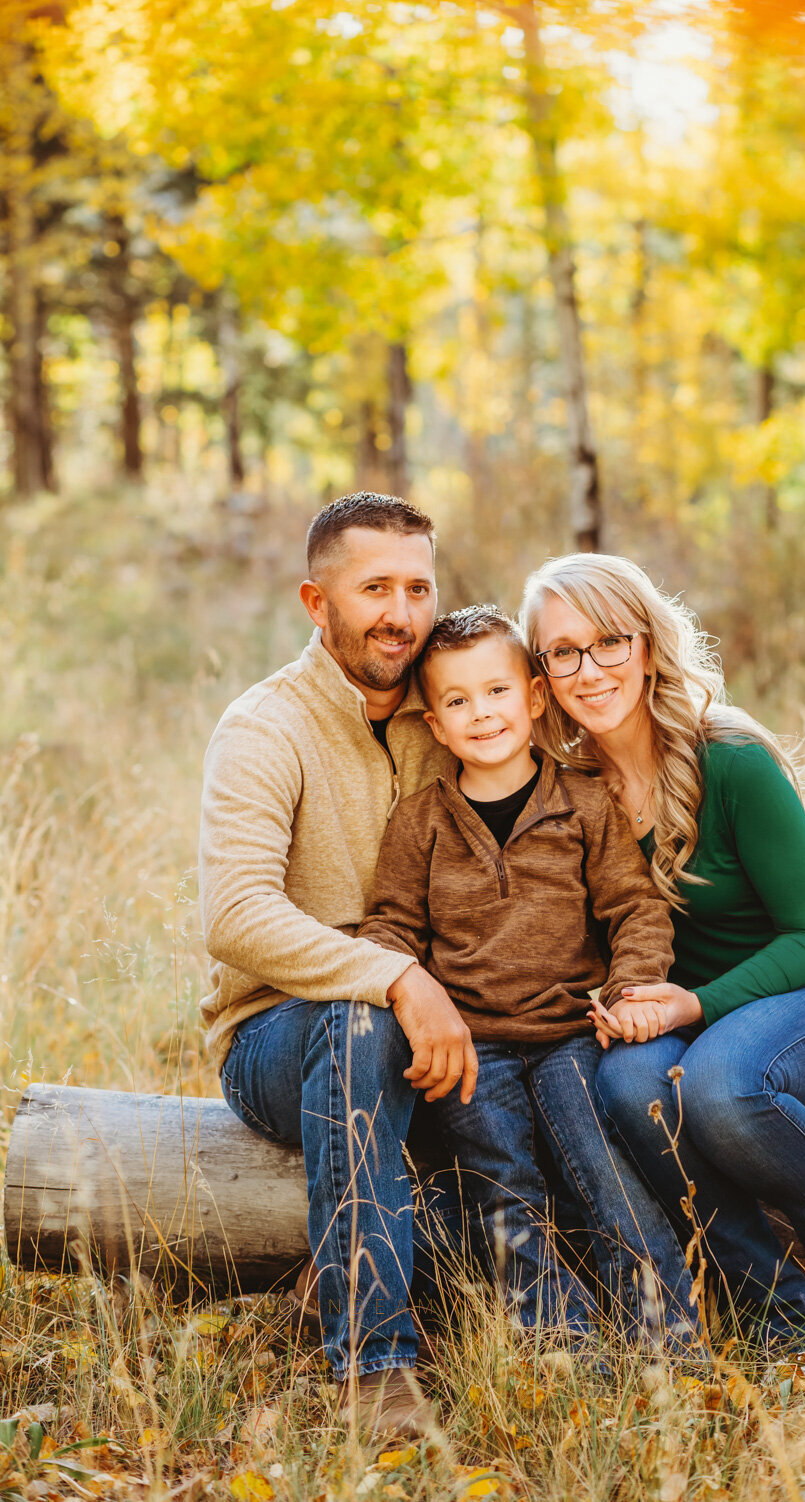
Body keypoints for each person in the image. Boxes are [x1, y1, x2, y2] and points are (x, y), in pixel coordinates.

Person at [520, 552, 805, 1360]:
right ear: (540, 672)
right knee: (631, 1084)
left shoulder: (730, 760)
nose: (588, 669)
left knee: (716, 1087)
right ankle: (779, 1322)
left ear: (646, 644)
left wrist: (691, 1004)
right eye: (560, 652)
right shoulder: (566, 788)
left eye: (608, 642)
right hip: (685, 1026)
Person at [198, 492, 479, 1442]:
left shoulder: (451, 717)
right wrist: (395, 977)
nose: (400, 612)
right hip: (280, 1033)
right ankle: (375, 1369)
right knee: (361, 1024)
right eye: (373, 589)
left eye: (416, 586)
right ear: (317, 603)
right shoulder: (264, 726)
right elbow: (236, 915)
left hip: (441, 1025)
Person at [358, 606, 702, 1354]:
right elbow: (388, 927)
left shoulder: (582, 803)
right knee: (503, 1185)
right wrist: (409, 994)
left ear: (534, 699)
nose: (481, 714)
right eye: (457, 701)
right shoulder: (420, 822)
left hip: (572, 1039)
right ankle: (562, 1345)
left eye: (497, 692)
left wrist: (630, 993)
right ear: (434, 725)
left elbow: (634, 910)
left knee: (604, 1173)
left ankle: (668, 1339)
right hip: (470, 1049)